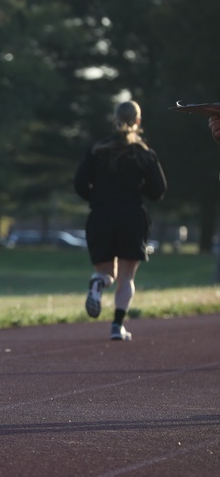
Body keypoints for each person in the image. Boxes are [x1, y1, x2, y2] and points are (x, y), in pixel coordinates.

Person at [74, 100, 166, 341]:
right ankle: (117, 326)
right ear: (138, 121)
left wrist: (97, 197)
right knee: (126, 276)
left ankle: (97, 283)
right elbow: (159, 190)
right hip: (131, 216)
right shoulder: (143, 153)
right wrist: (137, 188)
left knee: (106, 273)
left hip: (101, 215)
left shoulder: (97, 150)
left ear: (114, 119)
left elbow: (79, 184)